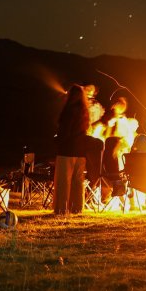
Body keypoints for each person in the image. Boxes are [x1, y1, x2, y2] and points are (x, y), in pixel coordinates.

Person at [53, 84, 91, 214]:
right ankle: (77, 208)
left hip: (67, 151)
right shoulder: (84, 112)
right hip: (81, 152)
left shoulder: (69, 111)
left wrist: (57, 141)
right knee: (77, 182)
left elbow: (65, 131)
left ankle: (61, 209)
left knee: (63, 181)